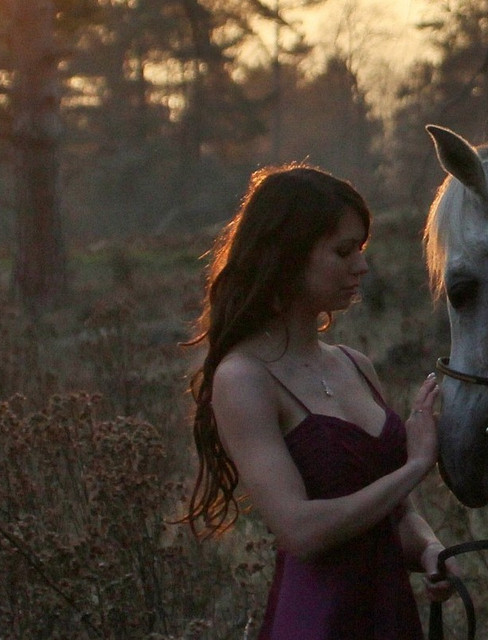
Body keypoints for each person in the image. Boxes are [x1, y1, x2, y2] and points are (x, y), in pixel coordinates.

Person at [182, 163, 454, 639]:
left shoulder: (355, 365)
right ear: (286, 257)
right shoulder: (244, 378)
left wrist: (431, 550)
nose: (362, 266)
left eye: (362, 250)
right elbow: (299, 530)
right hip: (317, 623)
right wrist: (414, 466)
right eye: (343, 251)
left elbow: (399, 515)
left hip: (390, 619)